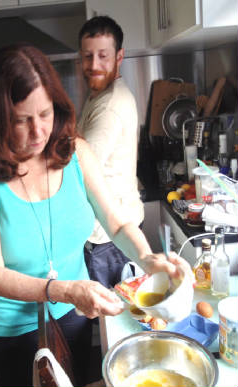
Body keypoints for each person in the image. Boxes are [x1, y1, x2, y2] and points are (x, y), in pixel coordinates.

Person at [0, 43, 191, 387]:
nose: (38, 132)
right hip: (13, 326)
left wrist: (148, 257)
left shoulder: (75, 150)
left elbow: (117, 221)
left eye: (46, 114)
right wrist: (65, 290)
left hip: (72, 311)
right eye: (21, 120)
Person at [77, 16, 145, 288]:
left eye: (103, 56)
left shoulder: (109, 106)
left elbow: (80, 169)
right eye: (87, 56)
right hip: (115, 232)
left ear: (120, 56)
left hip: (108, 239)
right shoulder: (101, 95)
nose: (94, 65)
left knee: (112, 321)